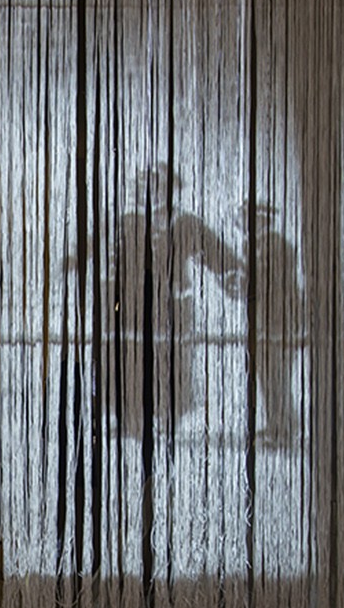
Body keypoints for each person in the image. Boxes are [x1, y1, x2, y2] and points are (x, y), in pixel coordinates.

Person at [76, 165, 240, 439]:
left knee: (168, 362)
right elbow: (100, 252)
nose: (149, 193)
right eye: (144, 187)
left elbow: (216, 254)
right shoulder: (127, 222)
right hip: (131, 309)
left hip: (171, 308)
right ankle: (130, 418)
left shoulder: (185, 223)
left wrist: (232, 274)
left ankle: (165, 418)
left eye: (157, 187)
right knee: (130, 361)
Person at [244, 200, 303, 448]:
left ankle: (283, 429)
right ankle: (278, 425)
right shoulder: (262, 245)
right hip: (270, 324)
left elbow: (276, 287)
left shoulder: (274, 245)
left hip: (278, 325)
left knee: (276, 379)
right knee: (271, 380)